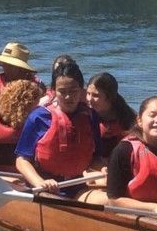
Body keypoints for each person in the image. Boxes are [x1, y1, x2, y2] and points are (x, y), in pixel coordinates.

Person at [83, 95, 157, 223]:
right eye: (152, 115)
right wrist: (155, 209)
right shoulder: (123, 151)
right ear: (140, 121)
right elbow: (114, 200)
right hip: (136, 218)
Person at [14, 57, 102, 194]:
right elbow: (21, 160)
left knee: (108, 201)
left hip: (78, 185)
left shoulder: (90, 116)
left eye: (73, 91)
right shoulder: (38, 117)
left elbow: (96, 157)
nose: (68, 97)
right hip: (44, 188)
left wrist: (102, 169)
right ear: (54, 91)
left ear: (81, 90)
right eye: (63, 91)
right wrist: (40, 182)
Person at [86, 72, 135, 157]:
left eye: (95, 95)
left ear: (110, 97)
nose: (89, 99)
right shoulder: (85, 115)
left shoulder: (128, 119)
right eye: (88, 93)